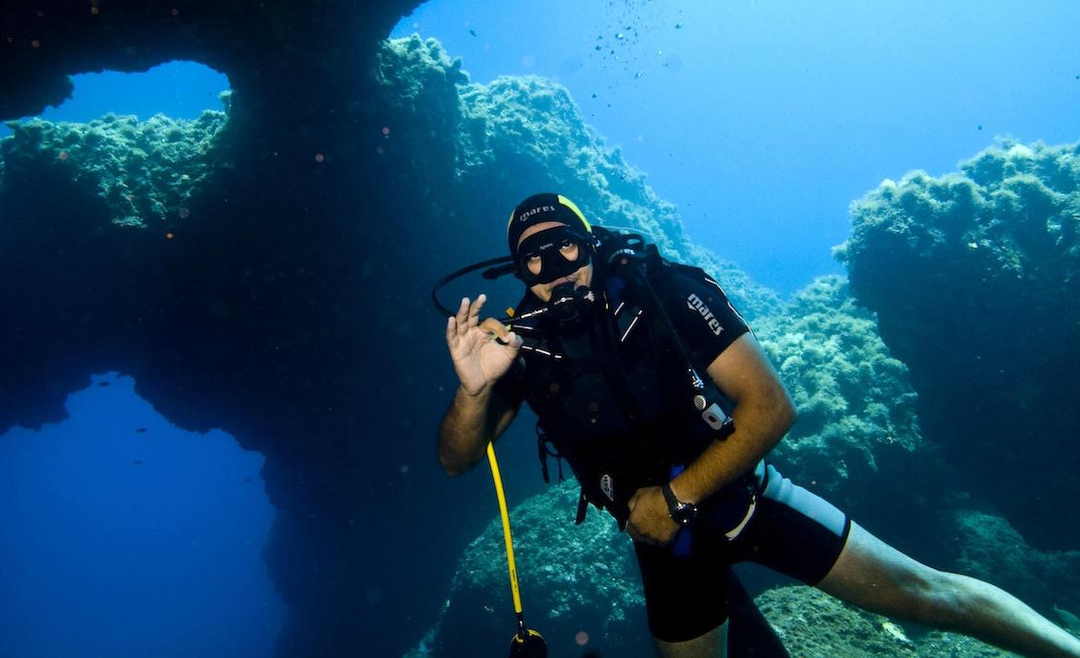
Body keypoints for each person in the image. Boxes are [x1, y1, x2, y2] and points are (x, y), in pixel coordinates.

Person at [438, 193, 1080, 658]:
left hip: (745, 501)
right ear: (517, 274)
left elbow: (772, 405)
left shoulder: (665, 292)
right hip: (667, 550)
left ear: (593, 243)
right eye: (533, 262)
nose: (554, 270)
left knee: (930, 596)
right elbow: (458, 459)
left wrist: (675, 498)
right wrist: (474, 391)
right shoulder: (520, 346)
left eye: (565, 247)